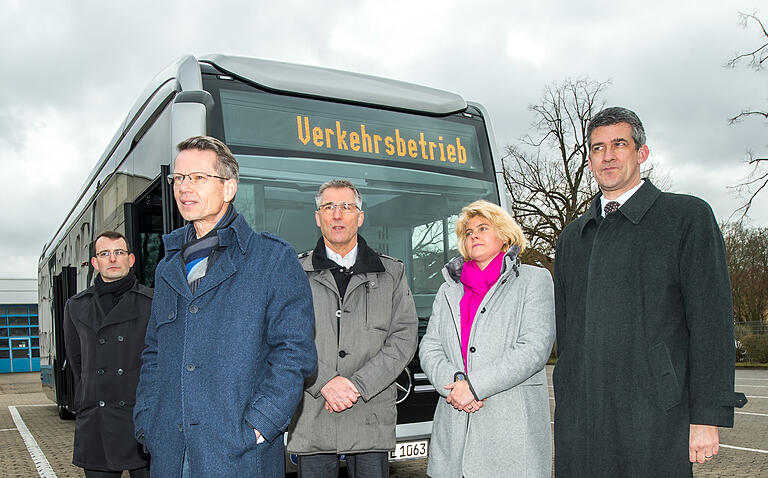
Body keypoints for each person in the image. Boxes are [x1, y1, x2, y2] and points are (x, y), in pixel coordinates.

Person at [553, 107, 748, 477]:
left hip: (656, 419)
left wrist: (707, 415)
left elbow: (711, 322)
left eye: (619, 144)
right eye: (597, 148)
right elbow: (568, 336)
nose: (607, 156)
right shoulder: (572, 238)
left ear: (641, 153)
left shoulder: (686, 218)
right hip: (583, 423)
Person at [133, 136, 317, 478]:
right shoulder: (168, 266)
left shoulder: (272, 258)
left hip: (240, 453)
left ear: (229, 188)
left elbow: (294, 352)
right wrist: (147, 419)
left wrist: (260, 426)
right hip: (171, 452)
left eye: (198, 177)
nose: (184, 187)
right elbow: (154, 352)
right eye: (179, 178)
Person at [286, 179, 418, 478]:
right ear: (317, 217)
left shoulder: (392, 273)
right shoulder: (293, 272)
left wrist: (359, 385)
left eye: (346, 206)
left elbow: (404, 336)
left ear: (360, 216)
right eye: (328, 207)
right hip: (314, 412)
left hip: (370, 413)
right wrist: (324, 382)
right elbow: (284, 339)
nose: (337, 215)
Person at [419, 200, 555, 478]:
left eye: (483, 228)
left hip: (512, 439)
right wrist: (455, 384)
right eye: (468, 232)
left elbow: (534, 348)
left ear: (505, 235)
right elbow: (430, 347)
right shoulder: (448, 290)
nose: (474, 236)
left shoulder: (534, 280)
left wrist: (475, 386)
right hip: (454, 434)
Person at [62, 231, 152, 478]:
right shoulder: (76, 306)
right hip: (96, 421)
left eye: (119, 252)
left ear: (131, 259)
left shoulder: (152, 302)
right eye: (105, 254)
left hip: (141, 418)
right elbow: (77, 362)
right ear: (95, 262)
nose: (113, 259)